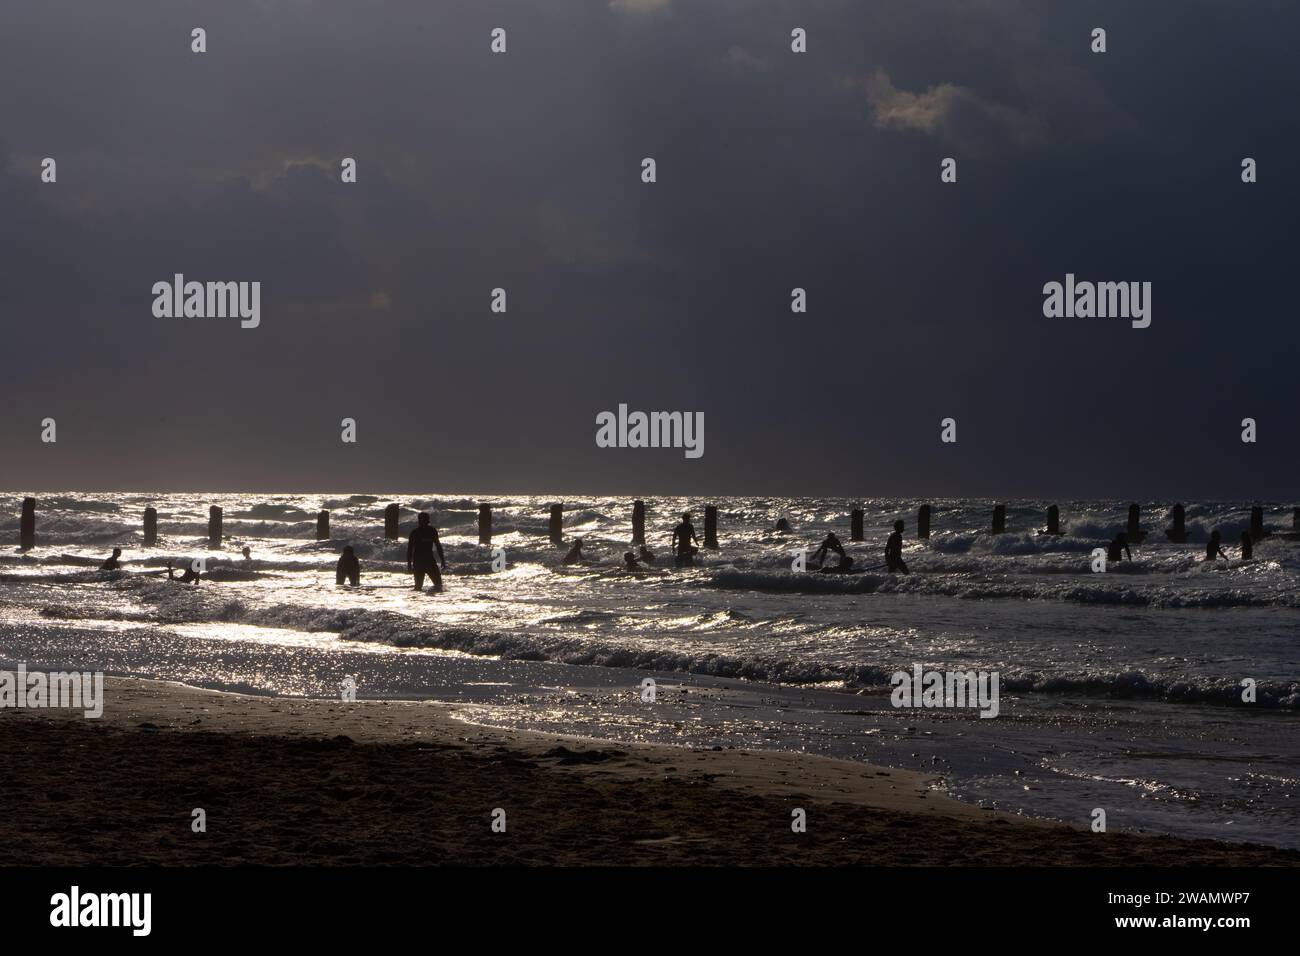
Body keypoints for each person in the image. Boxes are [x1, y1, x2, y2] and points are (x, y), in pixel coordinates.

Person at [407, 512, 446, 592]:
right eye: (422, 520)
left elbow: (438, 546)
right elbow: (410, 549)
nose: (424, 522)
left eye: (425, 520)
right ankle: (418, 601)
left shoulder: (432, 531)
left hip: (429, 561)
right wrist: (409, 565)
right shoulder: (414, 533)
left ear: (428, 521)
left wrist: (443, 560)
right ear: (419, 521)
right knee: (418, 587)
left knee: (438, 585)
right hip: (418, 562)